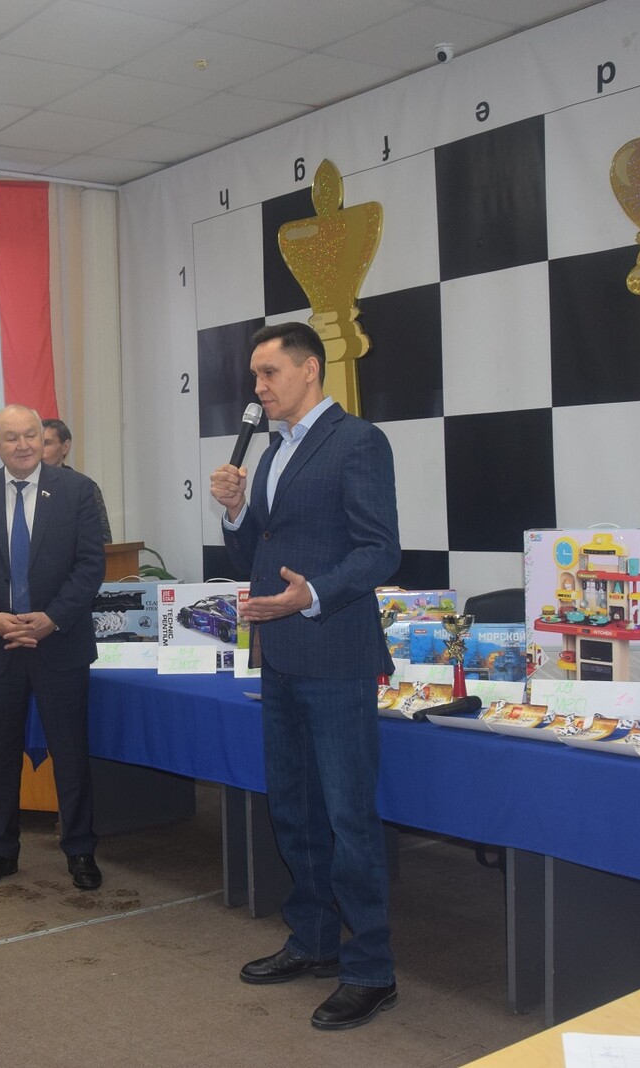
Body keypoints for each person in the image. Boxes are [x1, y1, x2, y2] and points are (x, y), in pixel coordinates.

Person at [209, 321, 402, 1032]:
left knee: (349, 819)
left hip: (337, 656)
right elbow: (258, 552)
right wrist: (236, 509)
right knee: (293, 809)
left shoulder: (358, 441)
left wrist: (311, 594)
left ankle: (371, 969)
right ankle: (315, 939)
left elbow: (380, 550)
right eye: (255, 376)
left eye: (269, 373)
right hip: (281, 656)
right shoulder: (274, 452)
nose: (258, 388)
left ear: (310, 369)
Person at [0, 405, 106, 892]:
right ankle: (0, 851)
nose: (23, 445)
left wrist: (51, 618)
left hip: (60, 642)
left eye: (31, 435)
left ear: (44, 439)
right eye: (12, 438)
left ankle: (80, 851)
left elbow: (90, 565)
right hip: (0, 646)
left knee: (71, 754)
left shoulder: (78, 491)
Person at [41, 417, 113, 544]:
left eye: (47, 443)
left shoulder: (82, 487)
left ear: (65, 447)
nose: (40, 450)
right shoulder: (25, 484)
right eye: (37, 443)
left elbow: (102, 539)